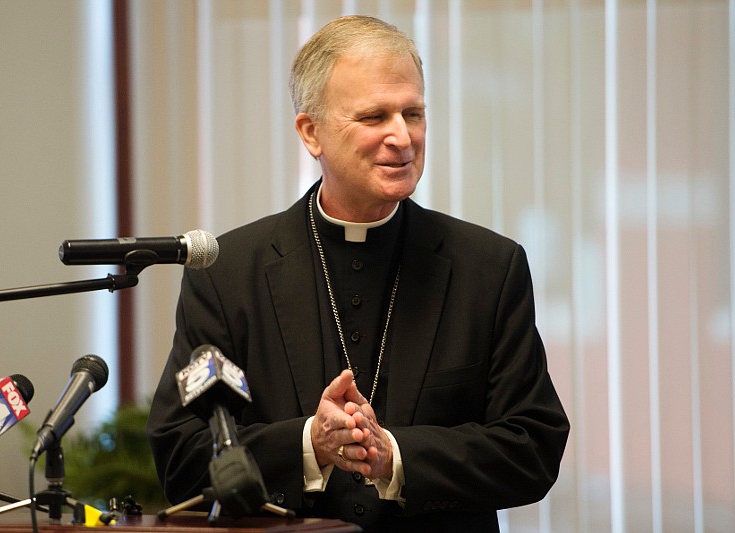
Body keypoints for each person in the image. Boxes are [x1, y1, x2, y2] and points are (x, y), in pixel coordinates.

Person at [147, 15, 569, 532]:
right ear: (311, 133)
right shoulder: (229, 274)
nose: (402, 136)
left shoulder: (487, 268)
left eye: (412, 112)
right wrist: (310, 444)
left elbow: (533, 446)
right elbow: (180, 455)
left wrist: (395, 455)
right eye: (374, 116)